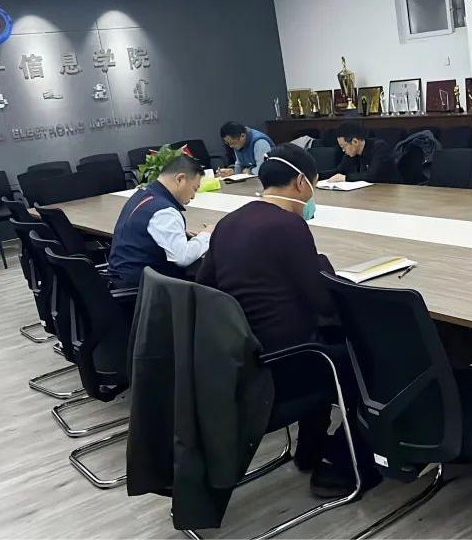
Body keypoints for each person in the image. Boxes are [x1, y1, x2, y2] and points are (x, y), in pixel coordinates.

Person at [195, 144, 375, 498]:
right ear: (301, 183)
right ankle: (340, 463)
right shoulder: (289, 226)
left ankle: (311, 450)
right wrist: (322, 266)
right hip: (286, 363)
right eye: (314, 185)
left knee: (321, 342)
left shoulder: (229, 222)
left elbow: (203, 286)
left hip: (241, 358)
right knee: (364, 360)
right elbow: (323, 303)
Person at [107, 149, 211, 289]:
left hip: (122, 279)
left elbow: (147, 229)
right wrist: (207, 235)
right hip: (143, 291)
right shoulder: (164, 211)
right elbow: (182, 258)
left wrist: (179, 234)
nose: (193, 196)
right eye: (194, 188)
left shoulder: (143, 194)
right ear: (180, 179)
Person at [326, 122, 399, 184]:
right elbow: (339, 171)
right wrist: (320, 175)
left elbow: (372, 175)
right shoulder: (351, 153)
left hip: (389, 189)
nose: (343, 150)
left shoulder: (379, 147)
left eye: (343, 146)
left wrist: (346, 178)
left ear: (355, 142)